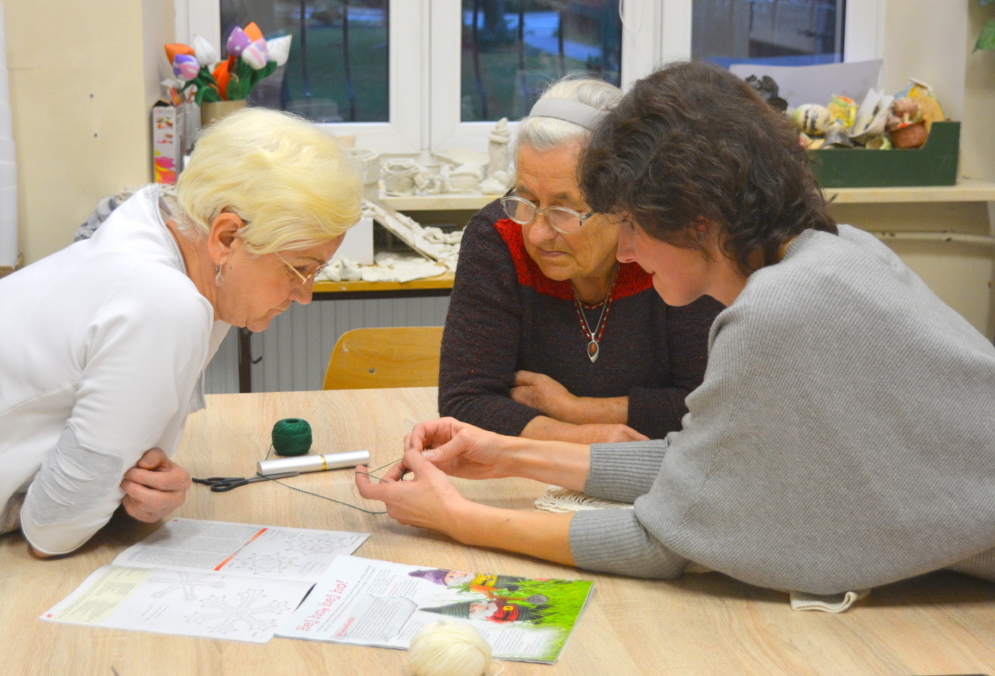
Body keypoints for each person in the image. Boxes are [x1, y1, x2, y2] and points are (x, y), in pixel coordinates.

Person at [357, 61, 995, 596]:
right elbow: (706, 464)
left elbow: (658, 541)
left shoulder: (773, 315)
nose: (626, 251)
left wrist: (460, 520)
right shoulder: (836, 252)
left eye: (631, 224)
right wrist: (508, 454)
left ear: (697, 219)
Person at [0, 108, 361, 558]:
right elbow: (52, 531)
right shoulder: (163, 303)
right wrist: (120, 489)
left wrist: (140, 484)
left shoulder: (167, 228)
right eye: (301, 268)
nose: (304, 294)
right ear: (228, 237)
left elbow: (132, 458)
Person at [439, 76, 722, 444]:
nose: (537, 233)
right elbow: (465, 401)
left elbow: (709, 404)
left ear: (624, 202)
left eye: (564, 208)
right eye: (527, 199)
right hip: (526, 475)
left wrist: (577, 409)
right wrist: (590, 436)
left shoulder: (672, 249)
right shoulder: (499, 236)